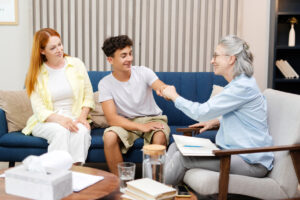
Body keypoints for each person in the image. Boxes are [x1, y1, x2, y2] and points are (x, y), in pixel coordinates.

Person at [162, 35, 274, 186]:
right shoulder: (240, 84)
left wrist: (175, 97)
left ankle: (155, 191)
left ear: (231, 59)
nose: (212, 61)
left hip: (250, 162)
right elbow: (246, 116)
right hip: (233, 153)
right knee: (175, 145)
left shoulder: (242, 87)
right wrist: (217, 122)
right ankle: (164, 189)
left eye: (216, 56)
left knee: (182, 158)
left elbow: (200, 112)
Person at [98, 35, 170, 175]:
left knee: (159, 135)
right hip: (126, 122)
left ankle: (153, 185)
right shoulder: (105, 83)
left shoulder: (144, 72)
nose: (129, 59)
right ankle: (120, 185)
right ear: (110, 60)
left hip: (152, 119)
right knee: (109, 136)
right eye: (123, 55)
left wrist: (165, 91)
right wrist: (141, 127)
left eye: (130, 53)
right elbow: (112, 119)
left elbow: (160, 86)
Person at [22, 28, 95, 164]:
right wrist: (61, 120)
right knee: (61, 131)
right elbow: (39, 109)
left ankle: (76, 171)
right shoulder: (35, 74)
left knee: (81, 132)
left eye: (60, 44)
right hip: (47, 120)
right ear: (42, 51)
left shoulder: (76, 64)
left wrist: (82, 117)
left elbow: (88, 94)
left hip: (75, 117)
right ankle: (55, 173)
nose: (59, 50)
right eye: (53, 48)